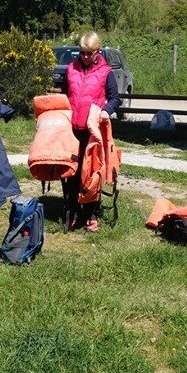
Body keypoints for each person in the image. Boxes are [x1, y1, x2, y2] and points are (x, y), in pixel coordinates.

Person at [63, 31, 121, 232]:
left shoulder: (106, 72)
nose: (85, 56)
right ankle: (72, 211)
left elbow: (115, 98)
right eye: (82, 52)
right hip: (71, 130)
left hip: (92, 131)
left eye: (89, 53)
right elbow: (64, 97)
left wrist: (106, 110)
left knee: (91, 174)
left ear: (97, 51)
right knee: (71, 172)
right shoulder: (71, 69)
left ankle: (91, 213)